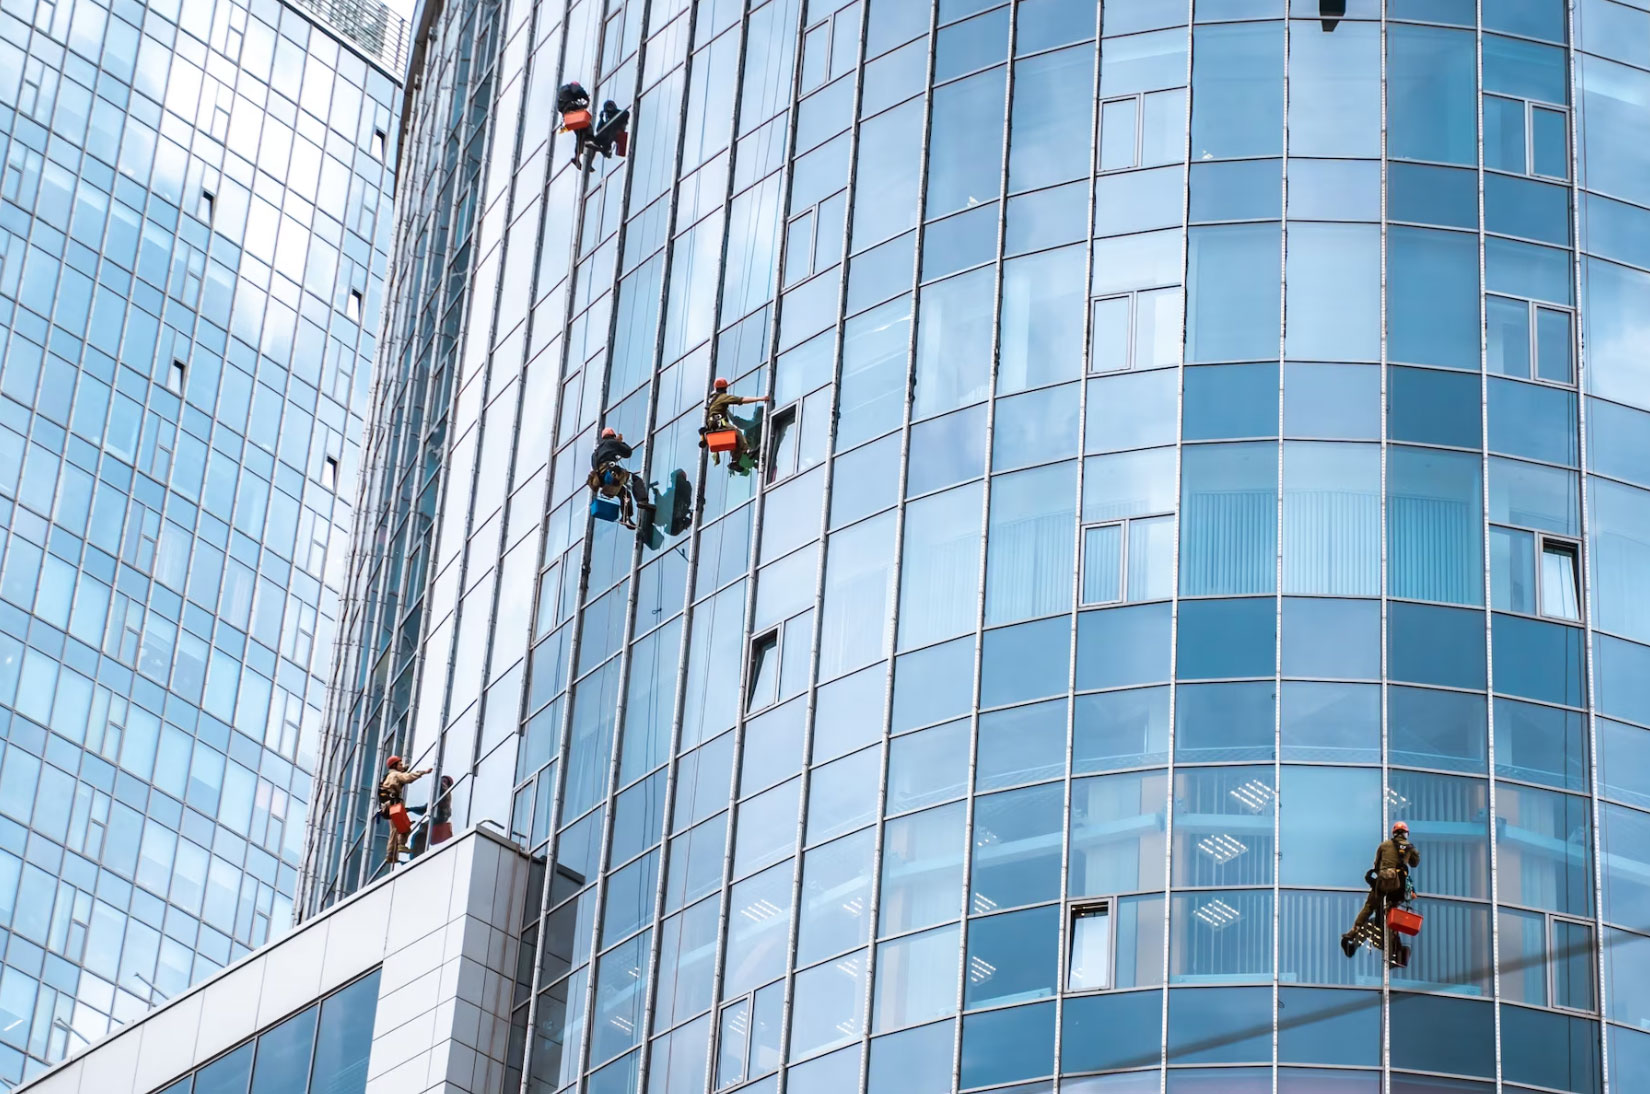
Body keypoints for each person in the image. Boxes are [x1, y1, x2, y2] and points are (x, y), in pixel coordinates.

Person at [1341, 820, 1420, 957]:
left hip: (1383, 882)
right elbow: (1415, 863)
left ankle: (1354, 930)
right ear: (1406, 834)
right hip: (1398, 888)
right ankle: (1393, 948)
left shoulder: (1384, 845)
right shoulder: (1410, 847)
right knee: (1391, 912)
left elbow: (1377, 865)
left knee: (1369, 906)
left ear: (1394, 833)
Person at [701, 378, 771, 466]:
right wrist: (761, 398)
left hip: (713, 424)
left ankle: (735, 461)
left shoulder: (713, 400)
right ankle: (747, 451)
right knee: (736, 431)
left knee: (734, 439)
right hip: (718, 422)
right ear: (724, 389)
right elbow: (742, 400)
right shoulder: (723, 397)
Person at [379, 756, 432, 868]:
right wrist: (423, 772)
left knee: (394, 830)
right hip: (394, 803)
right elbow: (407, 778)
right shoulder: (396, 775)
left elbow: (402, 773)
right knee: (404, 826)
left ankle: (391, 855)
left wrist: (404, 768)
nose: (402, 766)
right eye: (400, 764)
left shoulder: (389, 775)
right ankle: (401, 845)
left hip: (387, 805)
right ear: (395, 766)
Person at [589, 427, 639, 528]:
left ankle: (625, 518)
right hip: (611, 473)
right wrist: (620, 443)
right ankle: (628, 516)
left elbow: (595, 466)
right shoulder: (611, 443)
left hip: (602, 480)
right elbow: (627, 452)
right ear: (612, 436)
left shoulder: (595, 454)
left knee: (624, 493)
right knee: (635, 481)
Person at [558, 82, 594, 170]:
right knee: (587, 131)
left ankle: (577, 157)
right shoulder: (571, 88)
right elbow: (580, 91)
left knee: (581, 136)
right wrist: (586, 99)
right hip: (572, 115)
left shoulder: (564, 94)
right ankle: (582, 157)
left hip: (569, 117)